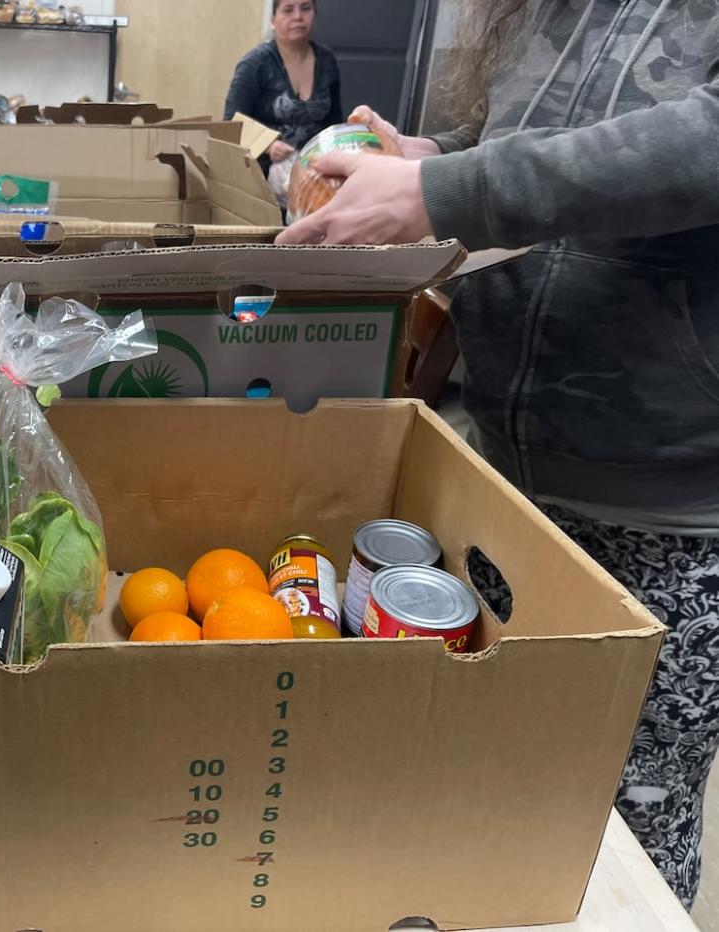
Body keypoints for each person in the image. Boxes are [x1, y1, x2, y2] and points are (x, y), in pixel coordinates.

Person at [278, 0, 719, 909]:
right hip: (506, 474)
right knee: (486, 788)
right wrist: (432, 156)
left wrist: (450, 195)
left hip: (674, 510)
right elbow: (536, 133)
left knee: (628, 820)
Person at [223, 0, 342, 174]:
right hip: (260, 174)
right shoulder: (255, 63)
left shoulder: (326, 60)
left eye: (306, 8)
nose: (298, 17)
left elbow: (334, 123)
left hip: (315, 173)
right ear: (273, 20)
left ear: (315, 14)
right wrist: (267, 145)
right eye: (288, 10)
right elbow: (231, 124)